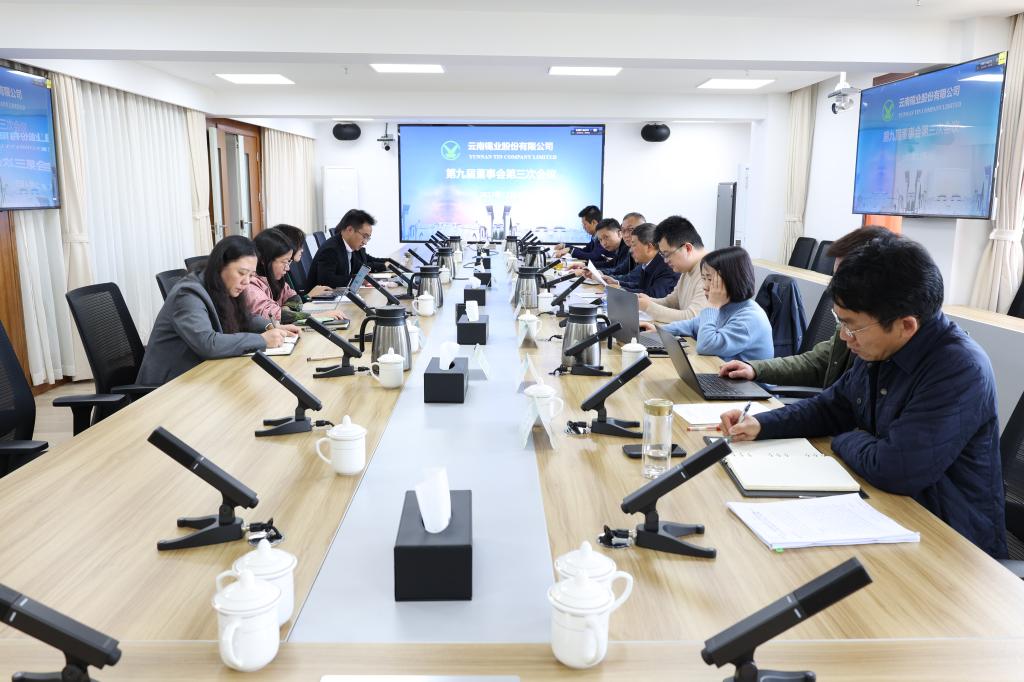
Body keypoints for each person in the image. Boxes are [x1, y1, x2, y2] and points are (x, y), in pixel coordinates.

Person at [720, 238, 1007, 558]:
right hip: (887, 514)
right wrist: (761, 424)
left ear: (906, 325)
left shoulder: (958, 368)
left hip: (951, 541)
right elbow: (832, 406)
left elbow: (895, 469)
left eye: (851, 326)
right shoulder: (881, 346)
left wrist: (844, 438)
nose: (844, 337)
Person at [718, 227, 897, 387]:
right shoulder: (854, 330)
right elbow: (818, 365)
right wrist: (755, 369)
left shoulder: (881, 348)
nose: (835, 285)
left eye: (843, 277)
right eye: (835, 276)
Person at [138, 235, 299, 385]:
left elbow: (242, 318)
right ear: (220, 266)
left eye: (251, 275)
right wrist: (262, 340)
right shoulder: (187, 293)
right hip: (168, 385)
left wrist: (271, 326)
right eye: (242, 273)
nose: (246, 281)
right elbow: (208, 343)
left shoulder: (220, 285)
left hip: (201, 376)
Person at [642, 245, 771, 362]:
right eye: (704, 278)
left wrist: (712, 305)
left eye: (710, 279)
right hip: (722, 373)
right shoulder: (727, 306)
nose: (705, 286)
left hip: (743, 381)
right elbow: (693, 324)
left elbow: (706, 346)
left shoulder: (750, 318)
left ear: (733, 280)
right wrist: (659, 330)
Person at [243, 228, 347, 324]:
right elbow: (274, 316)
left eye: (288, 261)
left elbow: (293, 297)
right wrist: (318, 316)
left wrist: (286, 309)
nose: (287, 268)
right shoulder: (251, 286)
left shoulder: (275, 279)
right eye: (284, 262)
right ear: (264, 260)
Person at [637, 216, 709, 322]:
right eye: (663, 255)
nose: (665, 261)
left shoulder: (711, 271)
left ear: (687, 248)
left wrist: (648, 306)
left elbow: (693, 318)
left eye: (667, 254)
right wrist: (645, 301)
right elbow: (672, 302)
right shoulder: (688, 268)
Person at [308, 209, 387, 289]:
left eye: (368, 238)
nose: (365, 242)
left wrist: (366, 276)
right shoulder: (331, 250)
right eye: (364, 236)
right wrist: (358, 279)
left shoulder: (347, 246)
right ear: (350, 230)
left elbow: (360, 267)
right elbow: (326, 282)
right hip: (317, 296)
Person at [605, 223, 678, 298]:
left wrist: (620, 289)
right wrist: (617, 283)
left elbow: (654, 295)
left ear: (649, 247)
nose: (630, 250)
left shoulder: (667, 267)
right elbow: (641, 287)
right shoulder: (648, 263)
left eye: (634, 245)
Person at [271, 223, 335, 300]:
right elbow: (290, 304)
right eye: (299, 246)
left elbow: (293, 300)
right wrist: (309, 295)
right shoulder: (278, 272)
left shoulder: (287, 268)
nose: (302, 250)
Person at [603, 212, 646, 279]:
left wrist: (608, 278)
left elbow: (633, 278)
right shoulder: (631, 250)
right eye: (623, 230)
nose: (626, 235)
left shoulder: (648, 251)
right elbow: (619, 270)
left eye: (630, 229)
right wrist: (599, 273)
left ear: (645, 229)